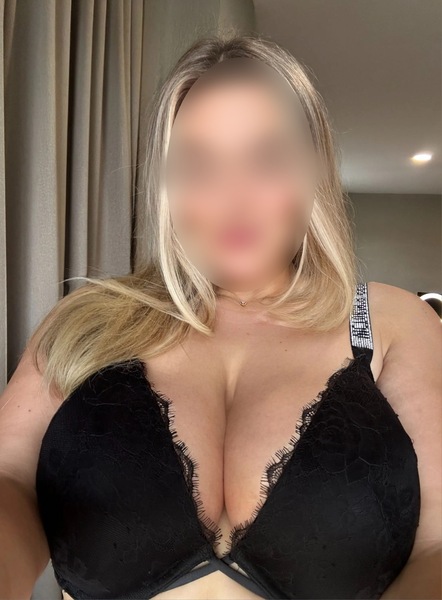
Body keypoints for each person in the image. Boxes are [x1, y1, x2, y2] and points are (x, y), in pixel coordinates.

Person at [0, 33, 440, 600]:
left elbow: (437, 543)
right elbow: (10, 479)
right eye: (198, 165)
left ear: (313, 172)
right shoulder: (88, 321)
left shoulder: (387, 323)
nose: (234, 197)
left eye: (266, 160)